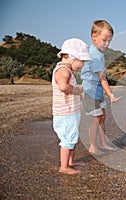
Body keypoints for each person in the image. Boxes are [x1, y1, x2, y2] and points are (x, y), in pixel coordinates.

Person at [52, 38, 92, 175]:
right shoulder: (63, 71)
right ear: (71, 57)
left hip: (70, 112)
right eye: (82, 61)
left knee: (72, 136)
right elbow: (63, 86)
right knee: (68, 139)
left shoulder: (66, 70)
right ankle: (64, 166)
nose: (82, 65)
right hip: (65, 113)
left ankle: (70, 162)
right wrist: (77, 90)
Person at [81, 20, 121, 154]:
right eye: (104, 40)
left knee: (102, 116)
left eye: (109, 41)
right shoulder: (95, 55)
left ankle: (103, 143)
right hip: (90, 92)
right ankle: (93, 146)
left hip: (97, 91)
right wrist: (110, 94)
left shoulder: (98, 52)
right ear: (94, 36)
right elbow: (102, 78)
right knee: (96, 118)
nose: (107, 44)